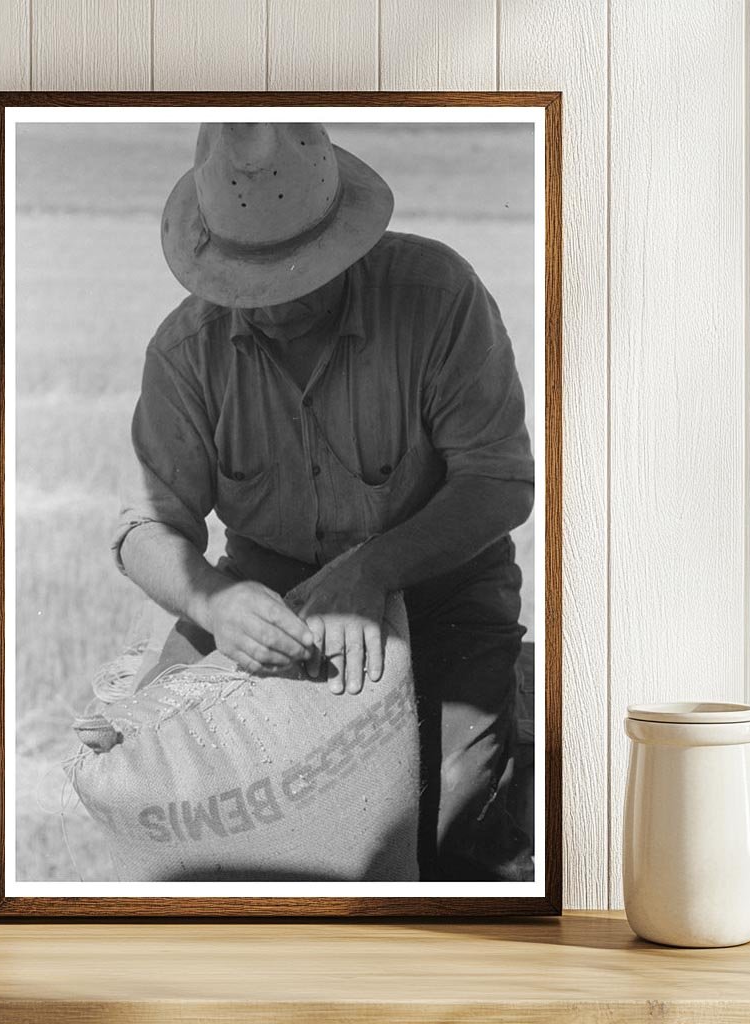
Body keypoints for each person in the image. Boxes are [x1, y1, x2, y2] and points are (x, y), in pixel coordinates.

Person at [112, 123, 534, 880]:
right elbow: (147, 528)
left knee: (445, 821)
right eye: (251, 283)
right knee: (158, 775)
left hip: (442, 588)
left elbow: (499, 482)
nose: (272, 304)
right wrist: (216, 603)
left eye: (297, 276)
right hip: (263, 592)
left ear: (348, 241)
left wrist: (374, 571)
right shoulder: (185, 351)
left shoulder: (439, 299)